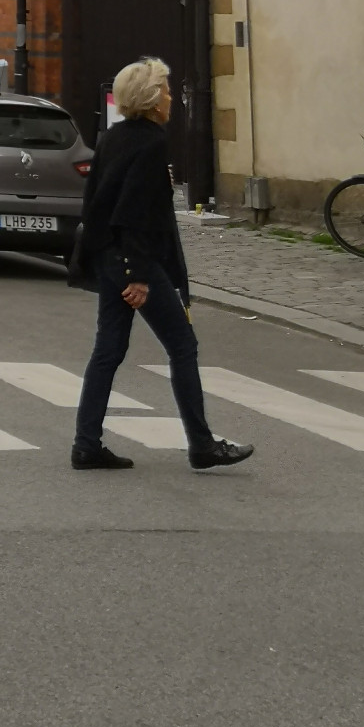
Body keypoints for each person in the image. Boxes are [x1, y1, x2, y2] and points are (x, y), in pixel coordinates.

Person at [71, 57, 253, 473]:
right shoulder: (151, 144)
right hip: (134, 259)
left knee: (108, 349)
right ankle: (202, 445)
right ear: (153, 100)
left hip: (109, 255)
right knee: (182, 345)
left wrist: (112, 263)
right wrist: (137, 276)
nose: (172, 98)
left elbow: (96, 203)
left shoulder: (112, 138)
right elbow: (135, 212)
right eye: (167, 91)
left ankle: (86, 444)